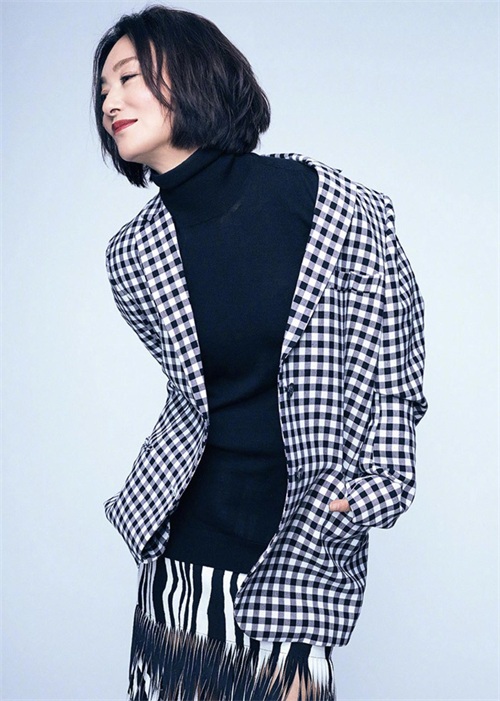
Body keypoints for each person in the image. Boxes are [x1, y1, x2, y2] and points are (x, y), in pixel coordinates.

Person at [93, 5, 427, 700]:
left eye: (127, 77)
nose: (110, 102)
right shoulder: (132, 255)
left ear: (194, 73)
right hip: (182, 558)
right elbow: (192, 395)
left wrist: (372, 490)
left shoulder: (330, 204)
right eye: (101, 90)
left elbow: (394, 367)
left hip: (299, 551)